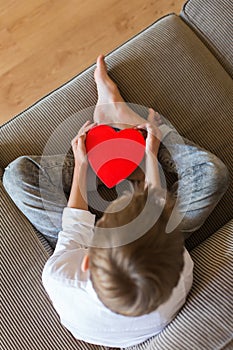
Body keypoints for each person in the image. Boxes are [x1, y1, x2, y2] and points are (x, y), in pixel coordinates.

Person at [3, 55, 229, 348]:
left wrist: (81, 165)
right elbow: (157, 210)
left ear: (87, 260)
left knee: (16, 175)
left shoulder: (61, 278)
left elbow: (74, 229)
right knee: (213, 175)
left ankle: (110, 143)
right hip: (152, 255)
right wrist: (151, 155)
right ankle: (138, 135)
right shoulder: (179, 273)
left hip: (96, 248)